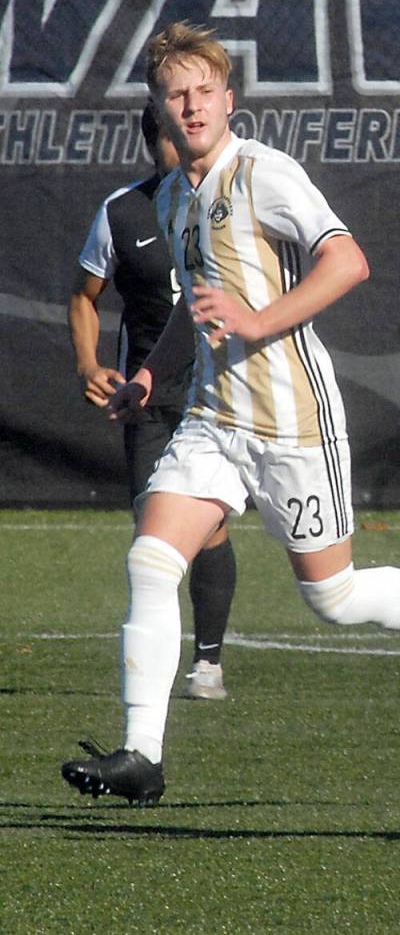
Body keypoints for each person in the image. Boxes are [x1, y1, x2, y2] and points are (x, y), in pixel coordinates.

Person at [61, 21, 400, 806]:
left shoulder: (264, 173)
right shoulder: (173, 198)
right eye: (176, 93)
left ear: (228, 99)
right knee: (150, 560)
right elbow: (192, 312)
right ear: (160, 109)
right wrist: (147, 378)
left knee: (334, 599)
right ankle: (143, 755)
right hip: (213, 420)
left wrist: (257, 320)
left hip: (292, 423)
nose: (192, 104)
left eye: (204, 90)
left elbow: (347, 260)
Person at [68, 105, 236, 702]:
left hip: (218, 394)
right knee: (153, 538)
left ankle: (207, 663)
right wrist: (91, 365)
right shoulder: (123, 211)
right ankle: (160, 674)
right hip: (148, 402)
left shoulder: (228, 200)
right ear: (153, 139)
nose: (184, 138)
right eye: (170, 131)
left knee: (207, 528)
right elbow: (85, 297)